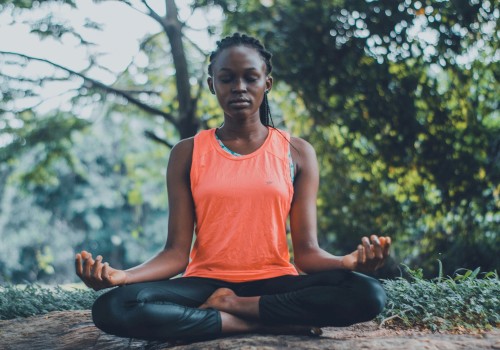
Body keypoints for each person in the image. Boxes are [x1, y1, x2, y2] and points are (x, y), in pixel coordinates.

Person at [75, 33, 392, 341]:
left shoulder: (296, 152)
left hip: (275, 282)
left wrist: (347, 262)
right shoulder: (187, 153)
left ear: (266, 83)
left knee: (368, 293)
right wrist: (122, 276)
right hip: (204, 284)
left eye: (250, 78)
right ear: (212, 84)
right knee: (114, 306)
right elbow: (174, 254)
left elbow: (307, 254)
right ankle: (258, 324)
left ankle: (233, 308)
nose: (239, 87)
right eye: (227, 78)